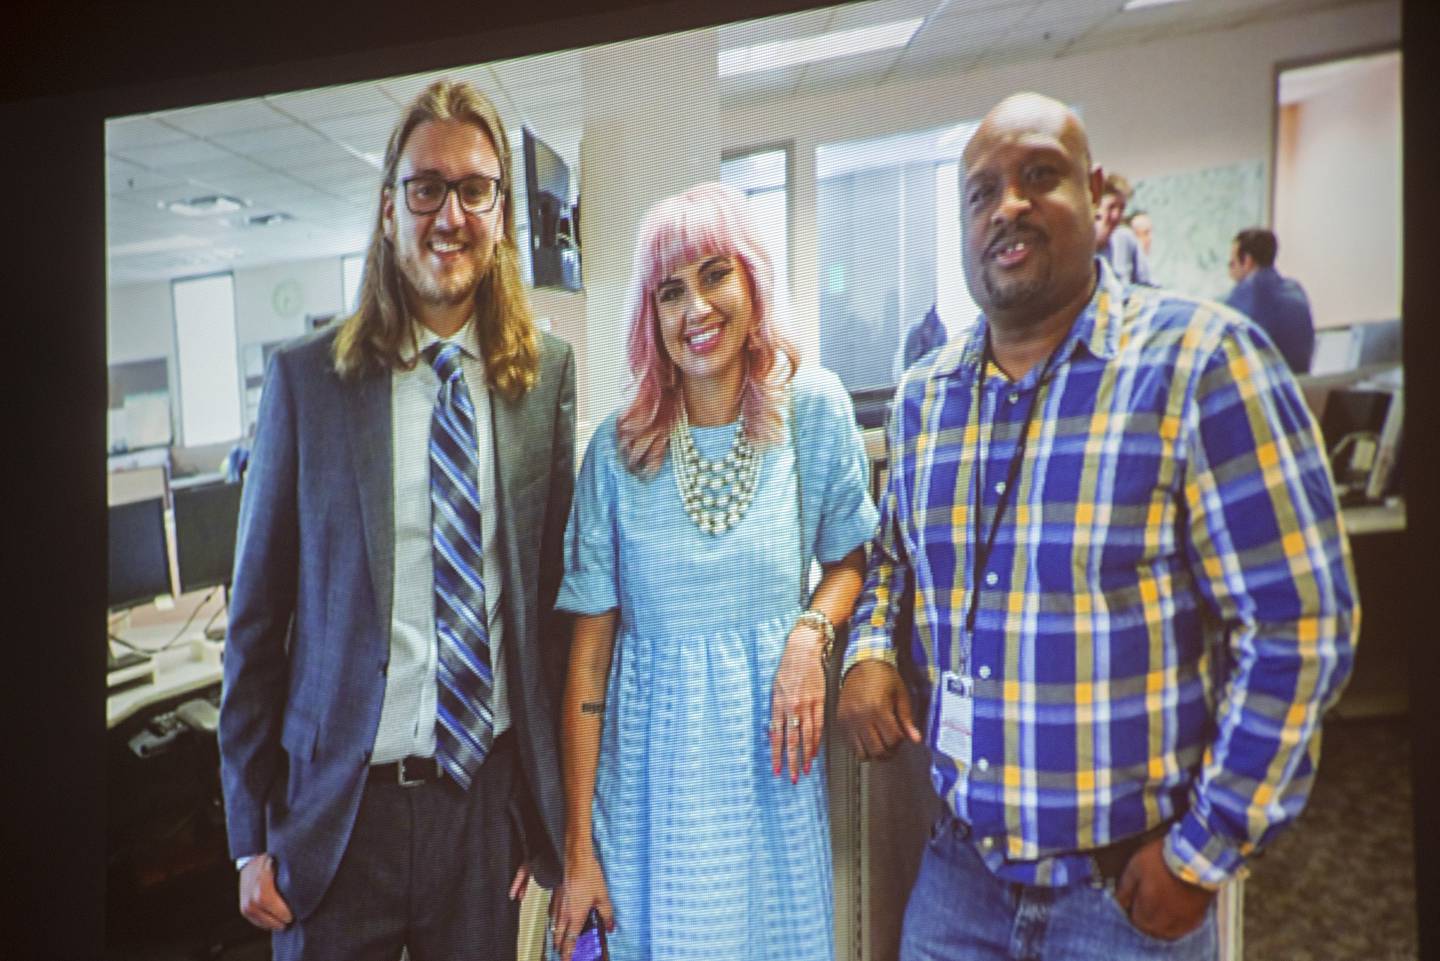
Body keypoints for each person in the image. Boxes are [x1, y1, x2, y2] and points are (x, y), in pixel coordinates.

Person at [837, 92, 1357, 961]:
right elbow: (893, 556)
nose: (1008, 205)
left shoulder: (1203, 365)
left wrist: (1206, 850)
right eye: (981, 192)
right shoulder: (927, 395)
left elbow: (1300, 624)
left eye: (1039, 176)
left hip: (1122, 894)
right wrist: (870, 650)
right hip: (958, 881)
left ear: (1096, 192)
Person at [218, 79, 576, 961]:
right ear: (389, 209)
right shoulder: (308, 383)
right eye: (426, 188)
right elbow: (256, 623)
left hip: (480, 814)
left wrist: (542, 813)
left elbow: (549, 612)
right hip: (336, 822)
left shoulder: (544, 381)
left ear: (501, 216)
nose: (449, 214)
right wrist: (247, 833)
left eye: (474, 189)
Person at [549, 182, 878, 961]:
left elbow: (851, 559)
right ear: (649, 317)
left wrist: (810, 632)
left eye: (714, 274)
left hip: (771, 776)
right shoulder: (617, 452)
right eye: (671, 291)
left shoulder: (814, 411)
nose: (695, 307)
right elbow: (588, 663)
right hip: (651, 794)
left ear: (753, 279)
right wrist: (579, 851)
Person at [1224, 227, 1316, 374]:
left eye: (1231, 264)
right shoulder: (1295, 289)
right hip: (1298, 387)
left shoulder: (1248, 291)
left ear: (1247, 261)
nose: (1229, 273)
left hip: (1265, 391)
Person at [1094, 173, 1153, 287]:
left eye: (1121, 208)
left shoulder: (1126, 240)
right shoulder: (1079, 247)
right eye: (1111, 207)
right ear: (1096, 207)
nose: (1116, 215)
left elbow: (1147, 285)